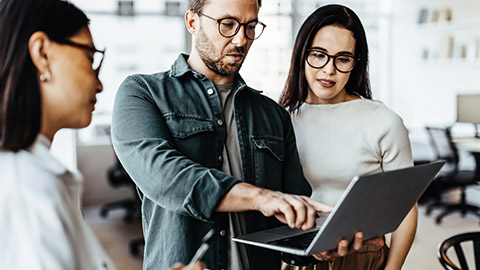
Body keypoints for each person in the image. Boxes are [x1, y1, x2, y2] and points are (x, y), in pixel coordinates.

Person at [110, 0, 369, 269]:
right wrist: (260, 197)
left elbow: (290, 216)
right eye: (228, 24)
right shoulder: (142, 93)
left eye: (250, 27)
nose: (240, 39)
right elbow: (165, 177)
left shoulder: (274, 115)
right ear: (192, 22)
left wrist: (314, 246)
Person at [0, 1, 205, 270]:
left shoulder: (34, 175)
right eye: (89, 58)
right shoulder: (27, 188)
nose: (99, 83)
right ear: (42, 53)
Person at [278, 4, 417, 270]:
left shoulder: (382, 121)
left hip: (360, 255)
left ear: (356, 63)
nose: (329, 69)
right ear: (300, 55)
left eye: (342, 58)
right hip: (298, 253)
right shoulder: (282, 119)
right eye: (318, 55)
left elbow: (406, 208)